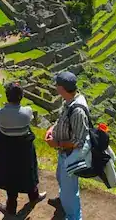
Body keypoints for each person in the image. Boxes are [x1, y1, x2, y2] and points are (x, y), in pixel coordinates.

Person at [0, 82, 47, 216]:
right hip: (23, 149)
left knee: (10, 177)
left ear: (7, 97)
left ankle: (11, 207)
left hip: (7, 149)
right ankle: (34, 196)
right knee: (29, 171)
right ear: (21, 97)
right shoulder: (27, 112)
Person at [46, 71, 89, 220]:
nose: (55, 88)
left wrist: (56, 143)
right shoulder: (68, 101)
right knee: (60, 178)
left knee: (70, 191)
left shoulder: (77, 111)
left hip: (70, 155)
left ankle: (73, 216)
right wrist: (52, 129)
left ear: (62, 88)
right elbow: (62, 120)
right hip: (63, 152)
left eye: (57, 85)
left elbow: (78, 142)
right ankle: (63, 201)